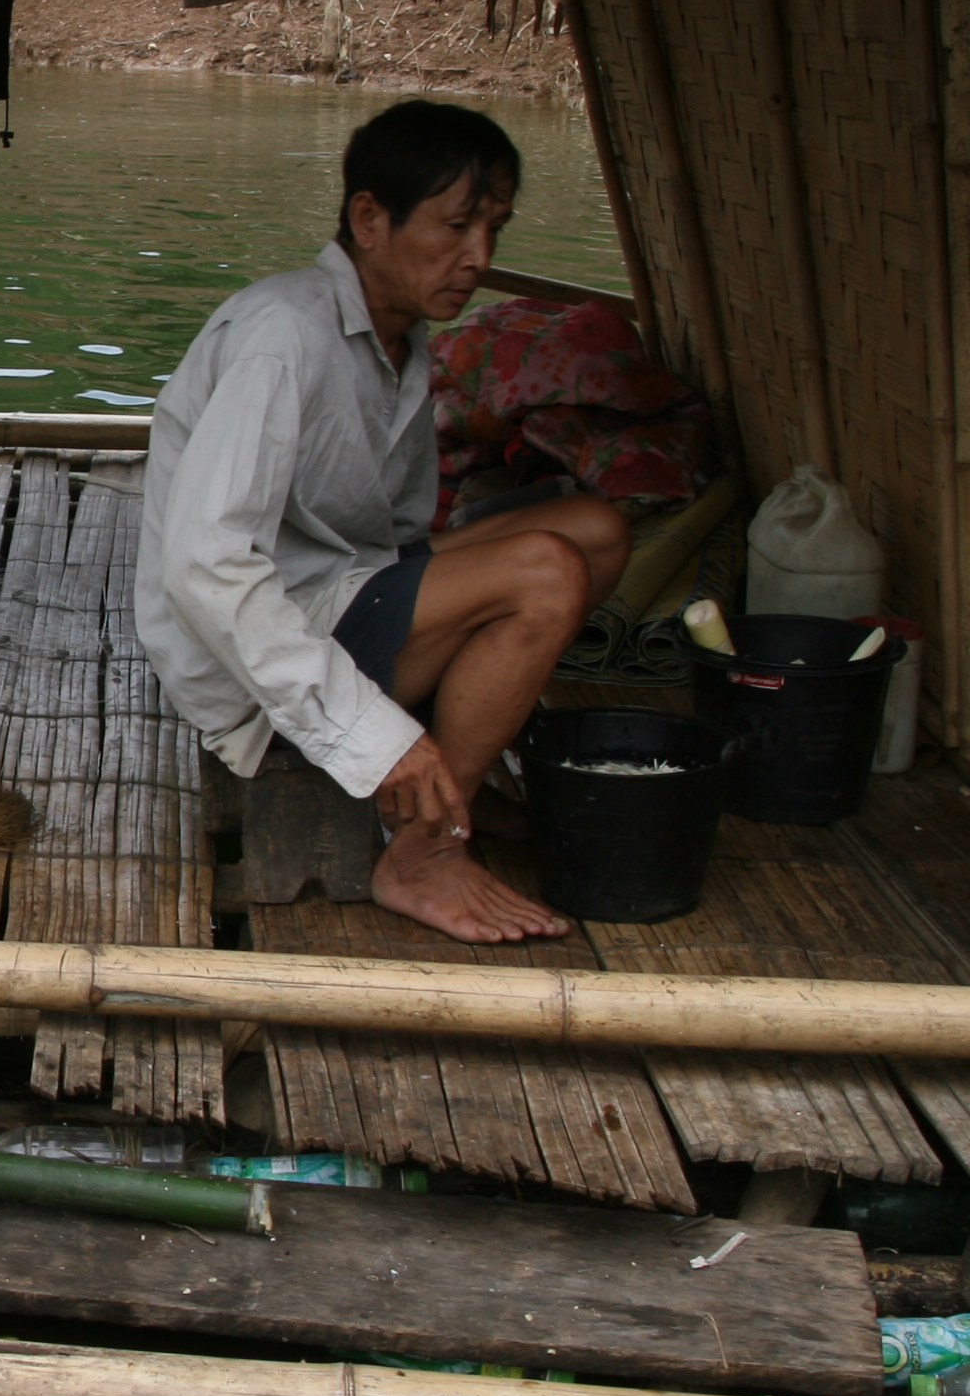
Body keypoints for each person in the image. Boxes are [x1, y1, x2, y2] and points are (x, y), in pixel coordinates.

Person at [136, 100, 630, 943]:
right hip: (252, 653)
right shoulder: (283, 337)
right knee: (545, 570)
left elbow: (387, 535)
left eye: (495, 230)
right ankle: (425, 848)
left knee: (594, 530)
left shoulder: (401, 340)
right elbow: (203, 565)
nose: (480, 259)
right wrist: (370, 737)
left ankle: (456, 763)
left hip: (341, 584)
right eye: (457, 227)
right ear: (369, 219)